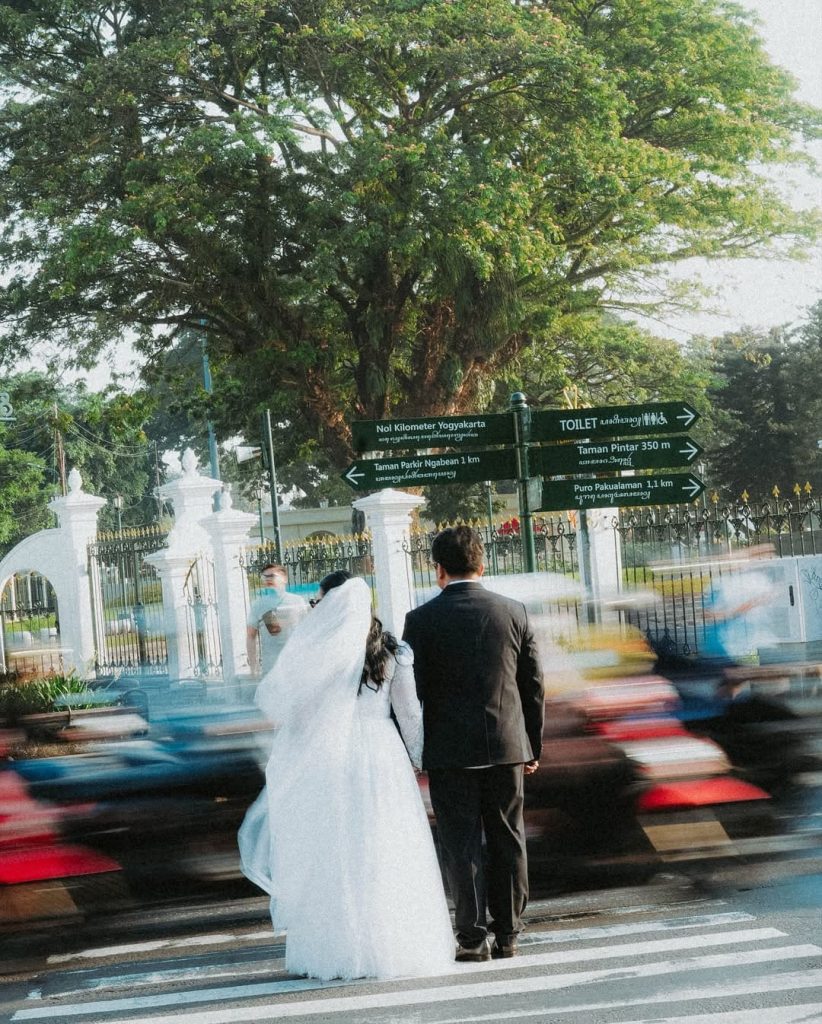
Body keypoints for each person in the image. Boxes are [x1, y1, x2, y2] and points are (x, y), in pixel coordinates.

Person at [237, 572, 454, 980]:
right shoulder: (393, 652)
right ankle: (388, 942)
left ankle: (336, 947)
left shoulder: (313, 651)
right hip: (380, 754)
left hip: (330, 760)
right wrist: (420, 759)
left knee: (336, 851)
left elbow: (291, 714)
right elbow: (409, 713)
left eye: (318, 602)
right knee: (384, 846)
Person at [402, 525, 544, 962]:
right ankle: (509, 933)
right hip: (506, 745)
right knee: (507, 837)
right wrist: (532, 746)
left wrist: (415, 751)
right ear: (483, 565)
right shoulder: (513, 612)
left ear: (438, 569)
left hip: (449, 752)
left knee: (460, 843)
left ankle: (471, 937)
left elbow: (412, 693)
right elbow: (533, 685)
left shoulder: (420, 621)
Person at [246, 564, 308, 676]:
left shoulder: (297, 601)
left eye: (272, 576)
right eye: (264, 577)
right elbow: (250, 636)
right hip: (271, 667)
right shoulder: (258, 605)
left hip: (296, 664)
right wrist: (253, 668)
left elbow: (307, 631)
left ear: (284, 578)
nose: (268, 579)